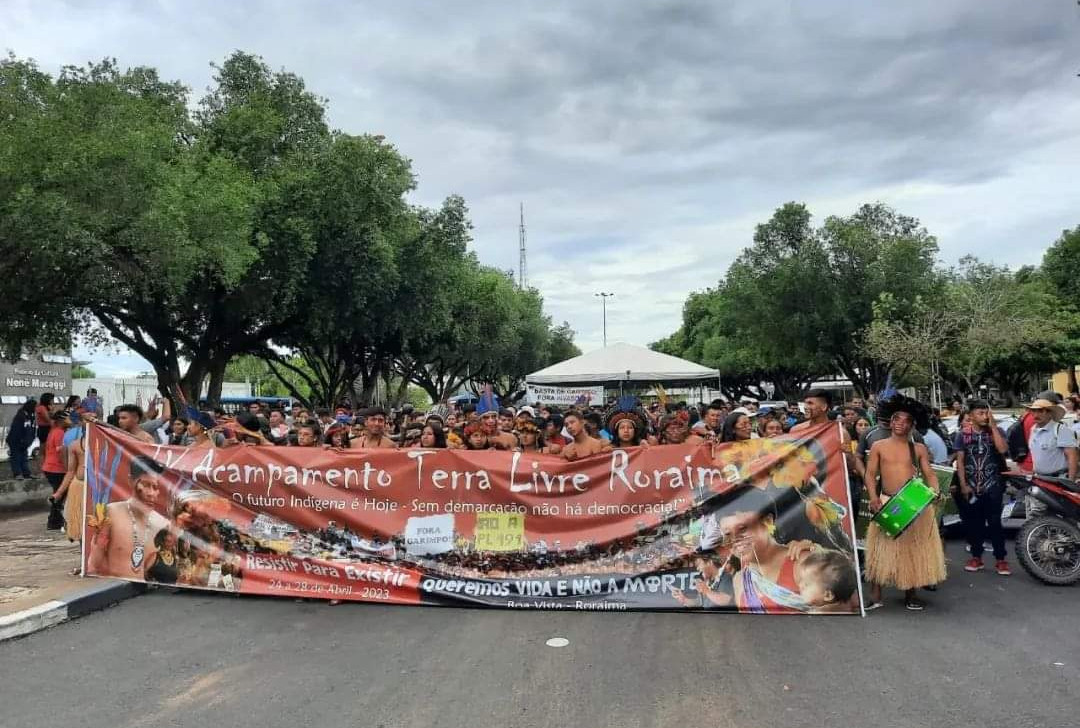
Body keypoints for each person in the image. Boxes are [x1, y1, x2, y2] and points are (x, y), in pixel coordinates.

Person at [864, 394, 946, 611]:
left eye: (906, 421)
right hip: (886, 502)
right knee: (879, 550)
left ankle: (911, 594)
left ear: (912, 425)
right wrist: (873, 497)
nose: (900, 424)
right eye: (896, 419)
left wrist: (935, 491)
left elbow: (929, 473)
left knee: (913, 550)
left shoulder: (918, 448)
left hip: (913, 502)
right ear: (890, 422)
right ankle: (876, 594)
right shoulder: (878, 446)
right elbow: (870, 474)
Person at [88, 455, 171, 578]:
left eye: (155, 487)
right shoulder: (110, 513)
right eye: (146, 485)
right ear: (131, 481)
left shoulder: (163, 525)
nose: (151, 494)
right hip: (116, 592)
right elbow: (94, 565)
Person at [953, 400, 1011, 576]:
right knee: (974, 524)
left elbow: (1002, 450)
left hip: (993, 485)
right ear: (970, 415)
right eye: (980, 413)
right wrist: (963, 484)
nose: (984, 416)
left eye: (986, 412)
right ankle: (976, 557)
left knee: (995, 523)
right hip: (971, 485)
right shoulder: (963, 435)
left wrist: (993, 425)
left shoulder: (997, 432)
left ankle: (1000, 559)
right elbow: (960, 461)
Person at [1023, 395, 1078, 519]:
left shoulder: (1060, 430)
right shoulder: (1033, 429)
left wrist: (1069, 483)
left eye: (1040, 411)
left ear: (1049, 413)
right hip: (1039, 480)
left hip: (1057, 481)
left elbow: (1072, 457)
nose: (1036, 414)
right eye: (1034, 411)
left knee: (1059, 518)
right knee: (1035, 517)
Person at [43, 410, 71, 530]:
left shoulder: (54, 431)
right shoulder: (59, 433)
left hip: (50, 467)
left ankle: (55, 520)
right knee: (59, 494)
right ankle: (54, 521)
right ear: (61, 420)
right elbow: (60, 452)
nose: (70, 420)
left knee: (59, 494)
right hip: (56, 468)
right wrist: (67, 468)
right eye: (68, 418)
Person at [5, 398, 37, 479]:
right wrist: (21, 441)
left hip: (25, 442)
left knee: (24, 457)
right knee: (16, 457)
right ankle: (17, 474)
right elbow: (16, 430)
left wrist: (30, 439)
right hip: (15, 440)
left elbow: (32, 429)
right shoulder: (20, 416)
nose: (37, 409)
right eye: (35, 407)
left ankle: (26, 473)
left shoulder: (31, 416)